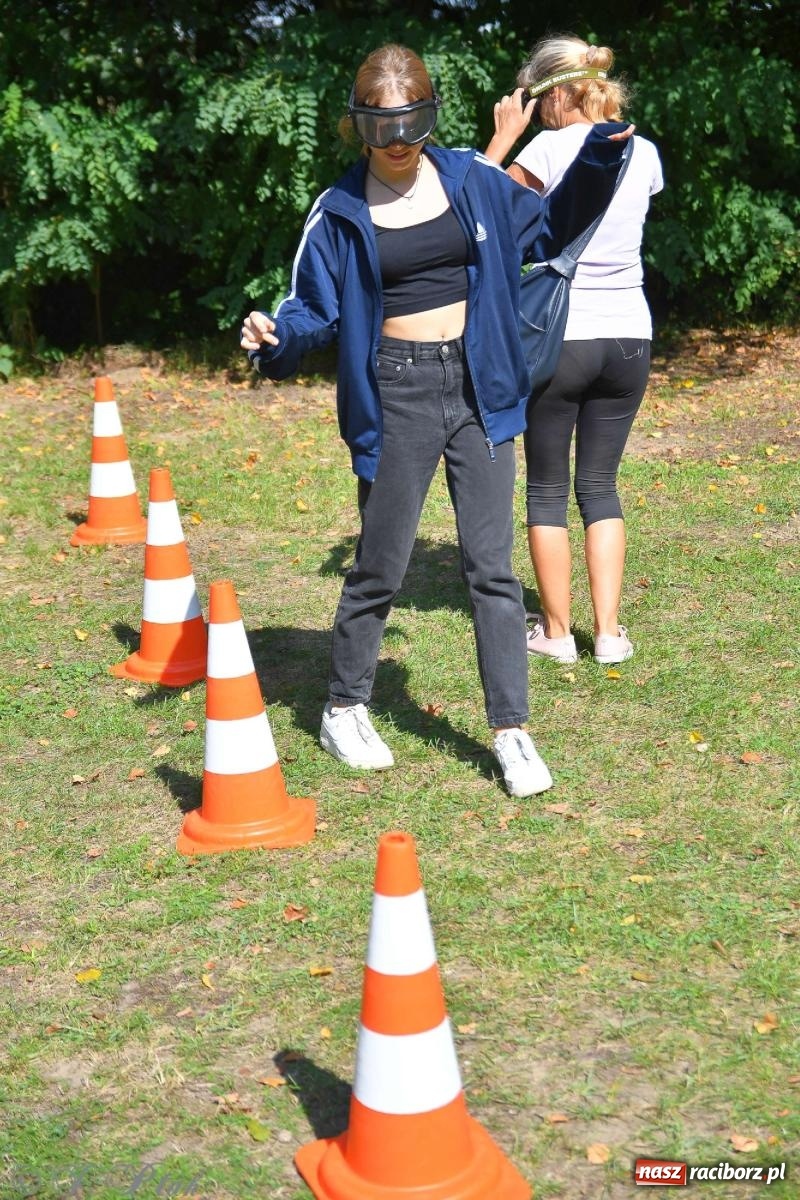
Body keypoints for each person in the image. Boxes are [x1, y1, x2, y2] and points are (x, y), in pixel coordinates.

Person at [241, 44, 632, 797]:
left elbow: (545, 233)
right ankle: (344, 706)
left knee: (493, 569)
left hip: (478, 386)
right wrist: (276, 339)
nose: (395, 144)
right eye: (380, 129)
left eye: (410, 126)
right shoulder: (340, 210)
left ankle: (512, 732)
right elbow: (311, 310)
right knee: (380, 567)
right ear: (358, 127)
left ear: (428, 118)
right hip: (397, 397)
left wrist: (600, 162)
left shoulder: (467, 177)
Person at [486, 35, 663, 666]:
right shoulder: (642, 151)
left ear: (555, 92)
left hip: (559, 339)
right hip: (629, 338)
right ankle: (610, 633)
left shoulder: (545, 148)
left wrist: (502, 142)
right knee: (601, 485)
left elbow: (486, 222)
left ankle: (558, 635)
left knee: (546, 489)